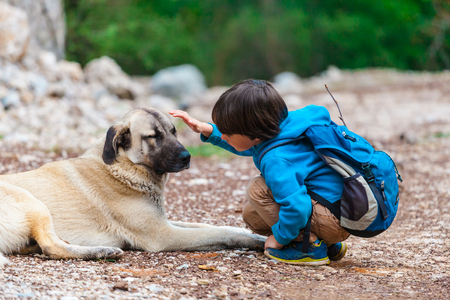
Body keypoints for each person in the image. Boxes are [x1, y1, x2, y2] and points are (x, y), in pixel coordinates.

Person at [169, 79, 350, 265]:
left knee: (257, 189)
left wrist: (279, 239)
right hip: (344, 212)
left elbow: (298, 207)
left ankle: (308, 246)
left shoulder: (276, 160)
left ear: (255, 135)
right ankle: (328, 244)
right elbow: (247, 145)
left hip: (333, 220)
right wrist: (208, 130)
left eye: (228, 134)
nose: (224, 137)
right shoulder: (286, 128)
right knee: (252, 215)